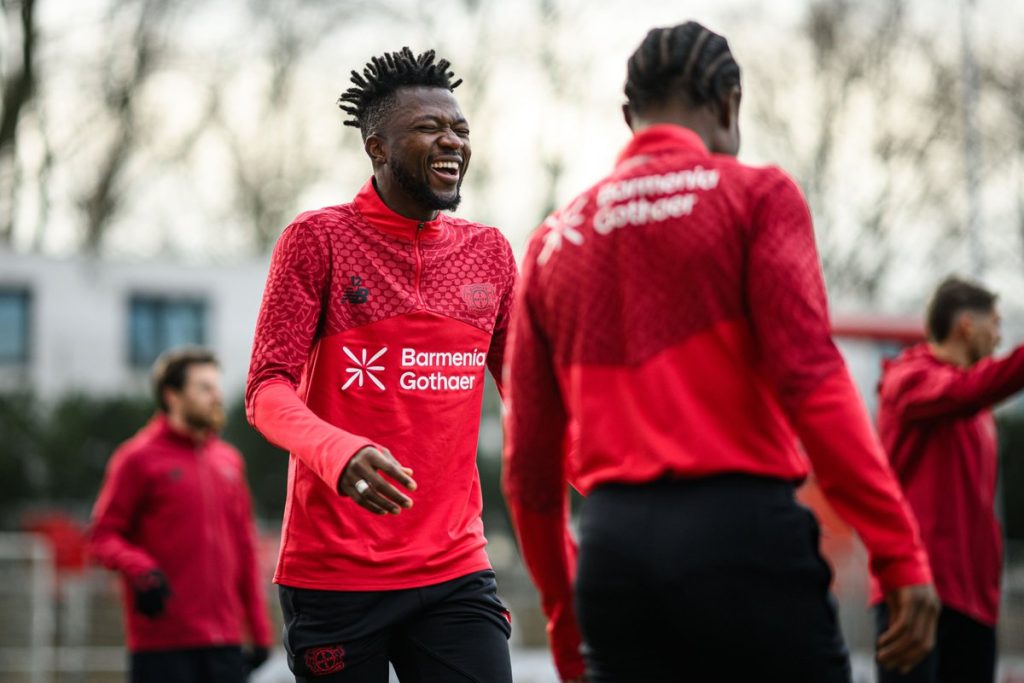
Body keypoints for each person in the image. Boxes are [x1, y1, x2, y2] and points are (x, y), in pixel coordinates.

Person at [502, 21, 940, 683]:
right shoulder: (755, 195)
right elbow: (814, 383)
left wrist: (568, 623)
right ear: (730, 104)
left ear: (630, 117)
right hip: (741, 537)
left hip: (613, 552)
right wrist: (899, 551)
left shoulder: (553, 242)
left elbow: (529, 469)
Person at [245, 47, 517, 683]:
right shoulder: (318, 240)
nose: (450, 140)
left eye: (460, 128)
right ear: (376, 147)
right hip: (334, 575)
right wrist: (337, 453)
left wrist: (617, 479)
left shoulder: (491, 253)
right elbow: (266, 390)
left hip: (455, 568)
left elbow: (530, 391)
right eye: (428, 127)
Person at [89, 347, 272, 683]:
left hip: (226, 644)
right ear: (171, 395)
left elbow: (245, 548)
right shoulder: (136, 458)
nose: (216, 396)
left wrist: (259, 632)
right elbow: (103, 536)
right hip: (162, 646)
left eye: (216, 386)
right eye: (204, 388)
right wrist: (139, 567)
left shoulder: (229, 461)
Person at [873, 276, 1024, 683]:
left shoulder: (977, 410)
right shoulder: (908, 379)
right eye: (994, 323)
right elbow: (964, 392)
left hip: (975, 603)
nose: (999, 337)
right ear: (966, 326)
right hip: (917, 596)